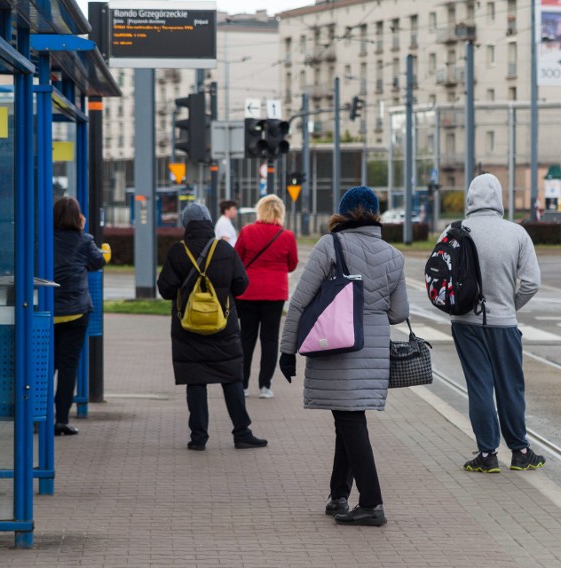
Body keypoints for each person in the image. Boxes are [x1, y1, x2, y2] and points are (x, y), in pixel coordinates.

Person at [279, 186, 408, 527]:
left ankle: (372, 502)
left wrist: (287, 349)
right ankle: (338, 495)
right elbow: (399, 312)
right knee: (347, 421)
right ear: (376, 214)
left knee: (350, 422)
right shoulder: (394, 255)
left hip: (337, 346)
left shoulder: (330, 245)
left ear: (342, 212)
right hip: (373, 349)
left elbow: (300, 302)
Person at [439, 173, 546, 473]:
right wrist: (510, 306)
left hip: (465, 322)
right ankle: (520, 451)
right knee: (510, 386)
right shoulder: (516, 234)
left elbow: (439, 275)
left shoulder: (453, 231)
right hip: (504, 323)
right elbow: (531, 282)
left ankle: (487, 455)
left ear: (471, 197)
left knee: (479, 386)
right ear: (499, 197)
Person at [157, 203, 267, 451]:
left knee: (196, 381)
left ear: (186, 224)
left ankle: (198, 438)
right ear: (208, 222)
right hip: (222, 326)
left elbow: (164, 289)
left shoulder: (178, 251)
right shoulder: (225, 250)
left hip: (188, 327)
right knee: (231, 378)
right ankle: (242, 433)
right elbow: (241, 284)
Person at [234, 195, 298, 399]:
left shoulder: (247, 231)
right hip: (275, 294)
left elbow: (237, 258)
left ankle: (243, 385)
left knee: (246, 338)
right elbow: (292, 264)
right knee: (270, 340)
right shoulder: (286, 236)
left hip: (248, 292)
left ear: (259, 210)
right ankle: (265, 386)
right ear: (281, 212)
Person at [53, 196, 106, 436]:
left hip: (47, 312)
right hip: (75, 313)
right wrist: (83, 230)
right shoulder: (84, 241)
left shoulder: (42, 239)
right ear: (78, 217)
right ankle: (61, 420)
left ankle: (36, 417)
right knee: (68, 366)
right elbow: (98, 262)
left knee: (44, 366)